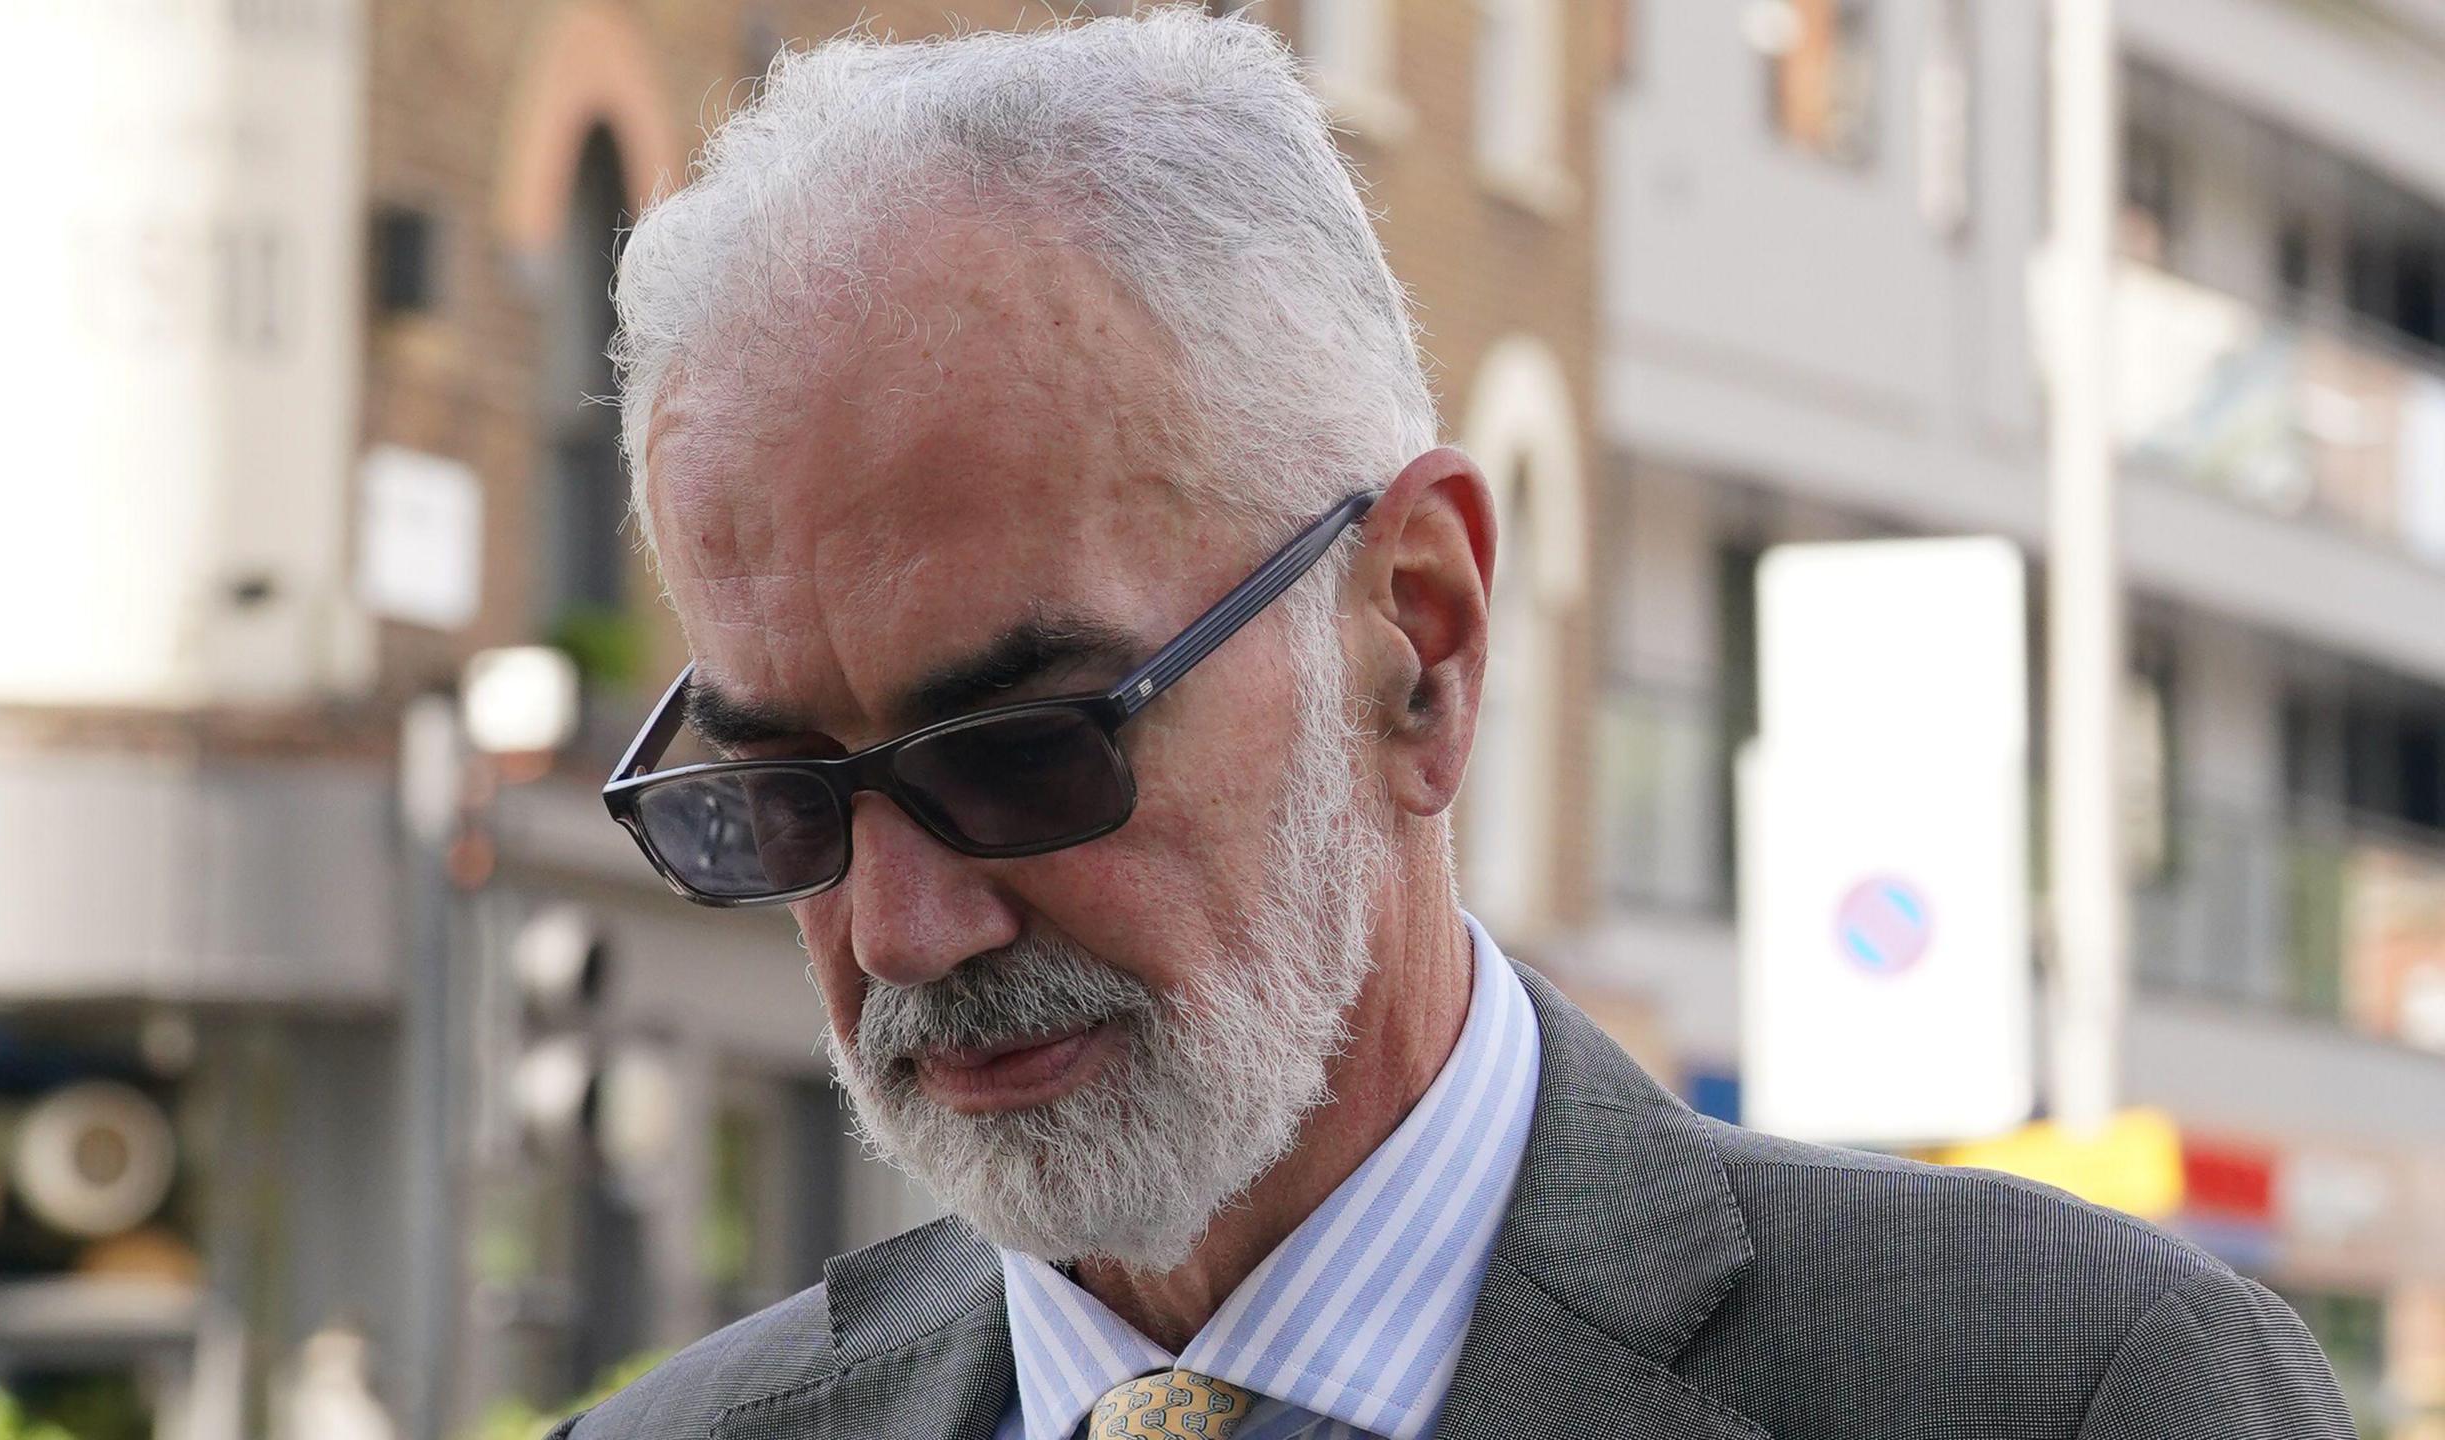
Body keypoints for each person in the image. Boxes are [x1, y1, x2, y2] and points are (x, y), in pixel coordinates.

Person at [559, 11, 2348, 1438]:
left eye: (1024, 751)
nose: (899, 929)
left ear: (1420, 641)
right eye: (785, 796)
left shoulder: (2073, 1392)